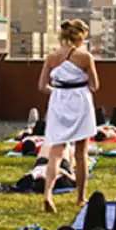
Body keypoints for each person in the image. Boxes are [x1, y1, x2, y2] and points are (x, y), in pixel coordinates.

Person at [37, 19, 99, 212]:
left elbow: (41, 86)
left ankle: (48, 194)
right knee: (81, 153)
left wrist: (58, 92)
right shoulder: (85, 57)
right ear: (80, 38)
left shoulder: (51, 57)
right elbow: (95, 85)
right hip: (80, 102)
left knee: (56, 152)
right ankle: (80, 197)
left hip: (58, 103)